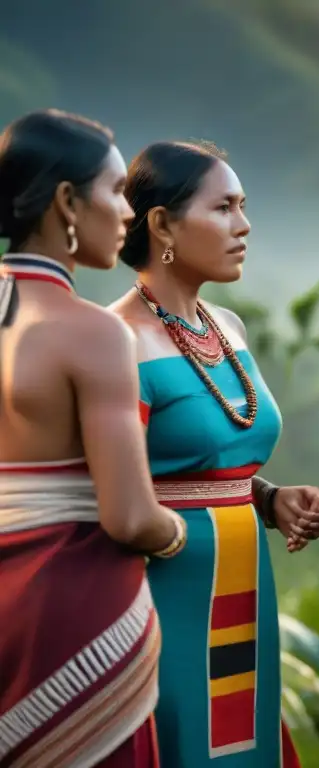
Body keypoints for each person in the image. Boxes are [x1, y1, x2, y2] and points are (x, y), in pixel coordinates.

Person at [108, 141, 319, 767]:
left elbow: (212, 466)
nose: (244, 224)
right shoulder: (116, 340)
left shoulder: (226, 328)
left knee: (242, 738)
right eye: (225, 207)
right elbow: (109, 485)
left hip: (243, 582)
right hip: (165, 589)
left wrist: (270, 497)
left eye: (244, 206)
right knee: (186, 738)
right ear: (162, 225)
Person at [0, 110, 187, 767]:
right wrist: (179, 534)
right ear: (66, 202)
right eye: (115, 192)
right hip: (76, 613)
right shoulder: (95, 331)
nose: (130, 214)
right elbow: (130, 518)